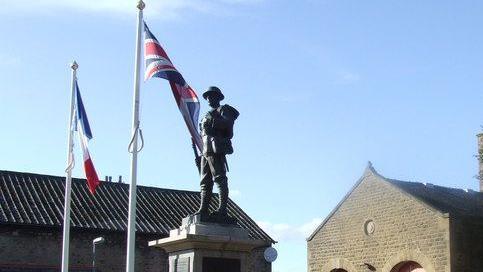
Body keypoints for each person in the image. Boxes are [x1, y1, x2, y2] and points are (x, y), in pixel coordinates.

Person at [196, 86, 239, 218]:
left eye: (211, 96)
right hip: (205, 150)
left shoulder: (224, 110)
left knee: (220, 179)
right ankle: (203, 209)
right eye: (207, 96)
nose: (209, 98)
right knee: (205, 181)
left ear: (218, 97)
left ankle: (222, 210)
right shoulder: (204, 116)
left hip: (216, 149)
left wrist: (212, 122)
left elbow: (228, 124)